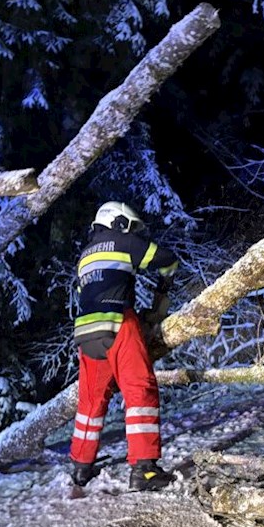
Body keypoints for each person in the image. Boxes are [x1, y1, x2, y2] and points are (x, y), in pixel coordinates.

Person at [69, 201, 179, 491]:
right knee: (139, 390)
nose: (132, 232)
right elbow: (167, 259)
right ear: (117, 222)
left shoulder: (84, 256)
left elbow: (85, 291)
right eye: (129, 226)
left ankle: (81, 467)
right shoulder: (123, 241)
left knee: (90, 403)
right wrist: (163, 289)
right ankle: (144, 470)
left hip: (86, 332)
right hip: (118, 322)